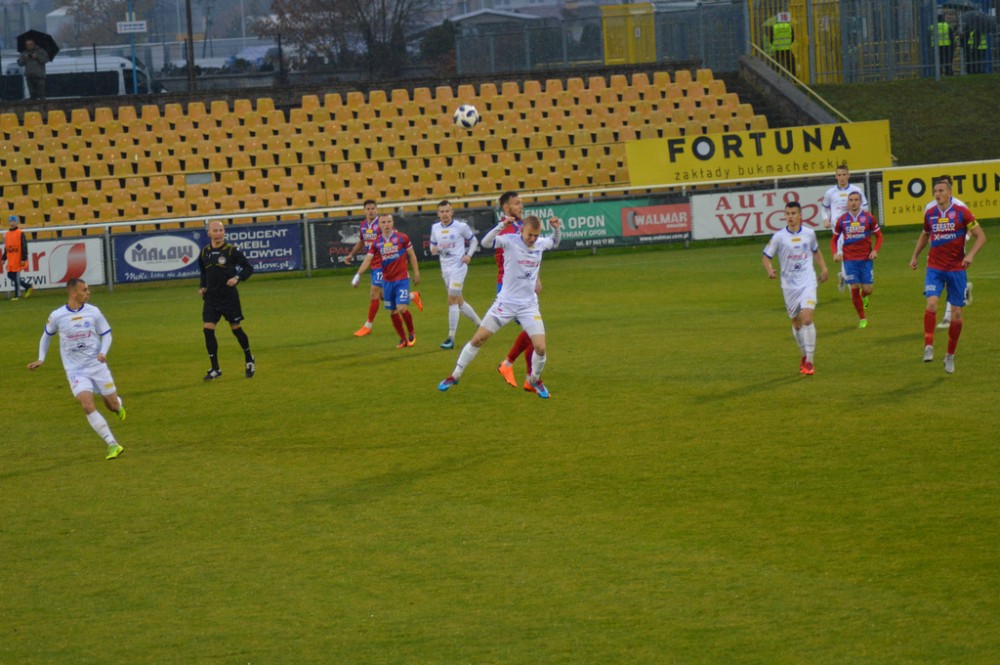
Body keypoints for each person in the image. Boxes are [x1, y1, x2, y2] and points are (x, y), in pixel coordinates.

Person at [438, 215, 562, 398]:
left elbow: (554, 242)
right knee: (478, 339)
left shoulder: (540, 244)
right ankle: (455, 375)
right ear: (522, 230)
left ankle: (534, 379)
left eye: (536, 235)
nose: (533, 239)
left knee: (540, 348)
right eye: (530, 235)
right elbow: (486, 242)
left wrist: (556, 229)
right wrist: (502, 225)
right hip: (505, 303)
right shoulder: (510, 241)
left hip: (528, 306)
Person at [27, 279, 126, 460]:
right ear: (74, 293)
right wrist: (41, 358)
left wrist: (103, 352)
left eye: (88, 289)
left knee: (111, 405)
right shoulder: (57, 315)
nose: (88, 293)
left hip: (97, 366)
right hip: (75, 370)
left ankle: (118, 405)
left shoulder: (94, 312)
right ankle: (112, 444)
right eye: (84, 290)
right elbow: (46, 336)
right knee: (87, 404)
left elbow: (107, 334)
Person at [909, 177, 986, 374]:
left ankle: (950, 355)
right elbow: (925, 234)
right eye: (935, 191)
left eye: (941, 191)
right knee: (931, 304)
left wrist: (970, 255)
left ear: (949, 193)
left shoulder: (961, 212)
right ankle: (928, 346)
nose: (938, 194)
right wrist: (915, 256)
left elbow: (981, 236)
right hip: (935, 268)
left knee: (957, 315)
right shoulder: (930, 213)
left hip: (956, 269)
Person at [762, 200, 829, 376]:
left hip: (808, 281)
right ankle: (804, 355)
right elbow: (766, 256)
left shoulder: (809, 233)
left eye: (793, 214)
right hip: (789, 285)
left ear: (800, 216)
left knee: (807, 318)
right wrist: (769, 270)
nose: (790, 217)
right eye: (787, 214)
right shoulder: (779, 237)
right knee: (796, 323)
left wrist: (824, 268)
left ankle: (810, 362)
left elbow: (816, 251)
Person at [492, 191, 540, 392]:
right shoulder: (505, 230)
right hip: (510, 287)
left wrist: (535, 278)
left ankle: (529, 378)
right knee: (533, 332)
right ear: (506, 207)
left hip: (523, 285)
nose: (521, 206)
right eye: (517, 203)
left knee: (533, 334)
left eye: (521, 203)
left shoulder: (519, 227)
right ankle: (510, 365)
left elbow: (530, 254)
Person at [352, 213, 421, 348]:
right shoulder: (377, 243)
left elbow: (412, 255)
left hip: (401, 279)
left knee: (401, 308)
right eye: (383, 222)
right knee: (393, 312)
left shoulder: (402, 238)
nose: (386, 225)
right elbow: (368, 259)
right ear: (379, 225)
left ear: (393, 223)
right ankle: (402, 339)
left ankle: (411, 332)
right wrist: (358, 275)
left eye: (389, 222)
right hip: (387, 281)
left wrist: (416, 273)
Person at [199, 220, 256, 380]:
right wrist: (202, 286)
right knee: (208, 329)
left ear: (224, 232)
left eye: (221, 230)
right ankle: (215, 368)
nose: (218, 233)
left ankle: (249, 359)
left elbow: (248, 268)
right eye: (215, 230)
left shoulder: (231, 251)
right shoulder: (204, 253)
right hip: (211, 298)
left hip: (229, 297)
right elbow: (203, 273)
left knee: (236, 328)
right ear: (209, 233)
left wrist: (237, 278)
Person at [429, 200, 481, 349]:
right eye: (442, 212)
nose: (445, 214)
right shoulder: (435, 228)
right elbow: (432, 246)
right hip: (445, 269)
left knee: (452, 299)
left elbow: (474, 241)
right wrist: (435, 249)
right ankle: (482, 325)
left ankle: (451, 338)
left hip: (459, 267)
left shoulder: (460, 226)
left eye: (447, 211)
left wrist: (469, 255)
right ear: (438, 213)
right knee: (460, 302)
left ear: (452, 212)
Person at [831, 192, 883, 328]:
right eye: (851, 200)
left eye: (856, 200)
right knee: (854, 287)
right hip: (849, 260)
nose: (853, 202)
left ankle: (863, 295)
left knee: (868, 290)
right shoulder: (842, 220)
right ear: (847, 203)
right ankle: (862, 318)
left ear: (860, 202)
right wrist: (835, 253)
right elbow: (834, 239)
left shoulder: (869, 218)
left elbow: (879, 236)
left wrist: (875, 250)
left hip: (866, 259)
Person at [820, 163, 868, 292]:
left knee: (851, 254)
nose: (841, 177)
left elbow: (865, 207)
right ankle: (852, 287)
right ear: (836, 176)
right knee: (844, 254)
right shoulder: (830, 193)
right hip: (838, 228)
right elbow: (823, 209)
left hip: (853, 227)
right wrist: (825, 219)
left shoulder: (856, 190)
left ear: (848, 175)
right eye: (839, 175)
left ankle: (843, 276)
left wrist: (855, 209)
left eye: (844, 174)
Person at [3, 215, 33, 300]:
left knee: (16, 277)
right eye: (11, 221)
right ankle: (27, 286)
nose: (12, 223)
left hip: (17, 258)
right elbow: (7, 247)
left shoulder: (20, 233)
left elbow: (24, 246)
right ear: (9, 223)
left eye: (14, 221)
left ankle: (17, 295)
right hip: (11, 258)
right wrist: (4, 258)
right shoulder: (7, 234)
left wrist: (23, 258)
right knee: (10, 275)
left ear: (17, 222)